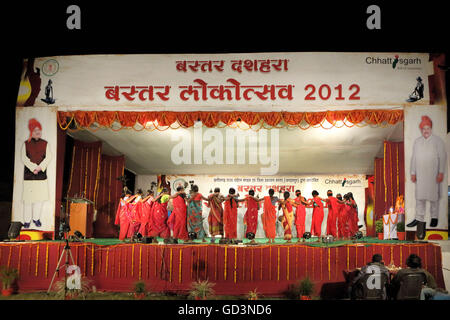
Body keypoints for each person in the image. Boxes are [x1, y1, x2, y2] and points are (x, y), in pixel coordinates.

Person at [408, 115, 447, 234]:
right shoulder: (417, 142)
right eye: (424, 128)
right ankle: (418, 217)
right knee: (419, 197)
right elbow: (414, 158)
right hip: (421, 174)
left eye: (428, 128)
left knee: (433, 196)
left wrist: (441, 172)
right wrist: (413, 172)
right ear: (421, 130)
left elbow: (443, 157)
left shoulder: (437, 141)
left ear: (431, 129)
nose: (426, 131)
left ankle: (434, 217)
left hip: (433, 174)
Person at [21, 118, 52, 229]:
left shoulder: (45, 144)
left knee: (39, 200)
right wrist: (33, 168)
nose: (38, 132)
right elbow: (24, 158)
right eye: (35, 130)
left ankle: (36, 219)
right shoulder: (26, 144)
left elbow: (49, 157)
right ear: (31, 132)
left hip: (41, 176)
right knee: (28, 200)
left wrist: (39, 168)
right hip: (29, 177)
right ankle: (27, 221)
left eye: (39, 130)